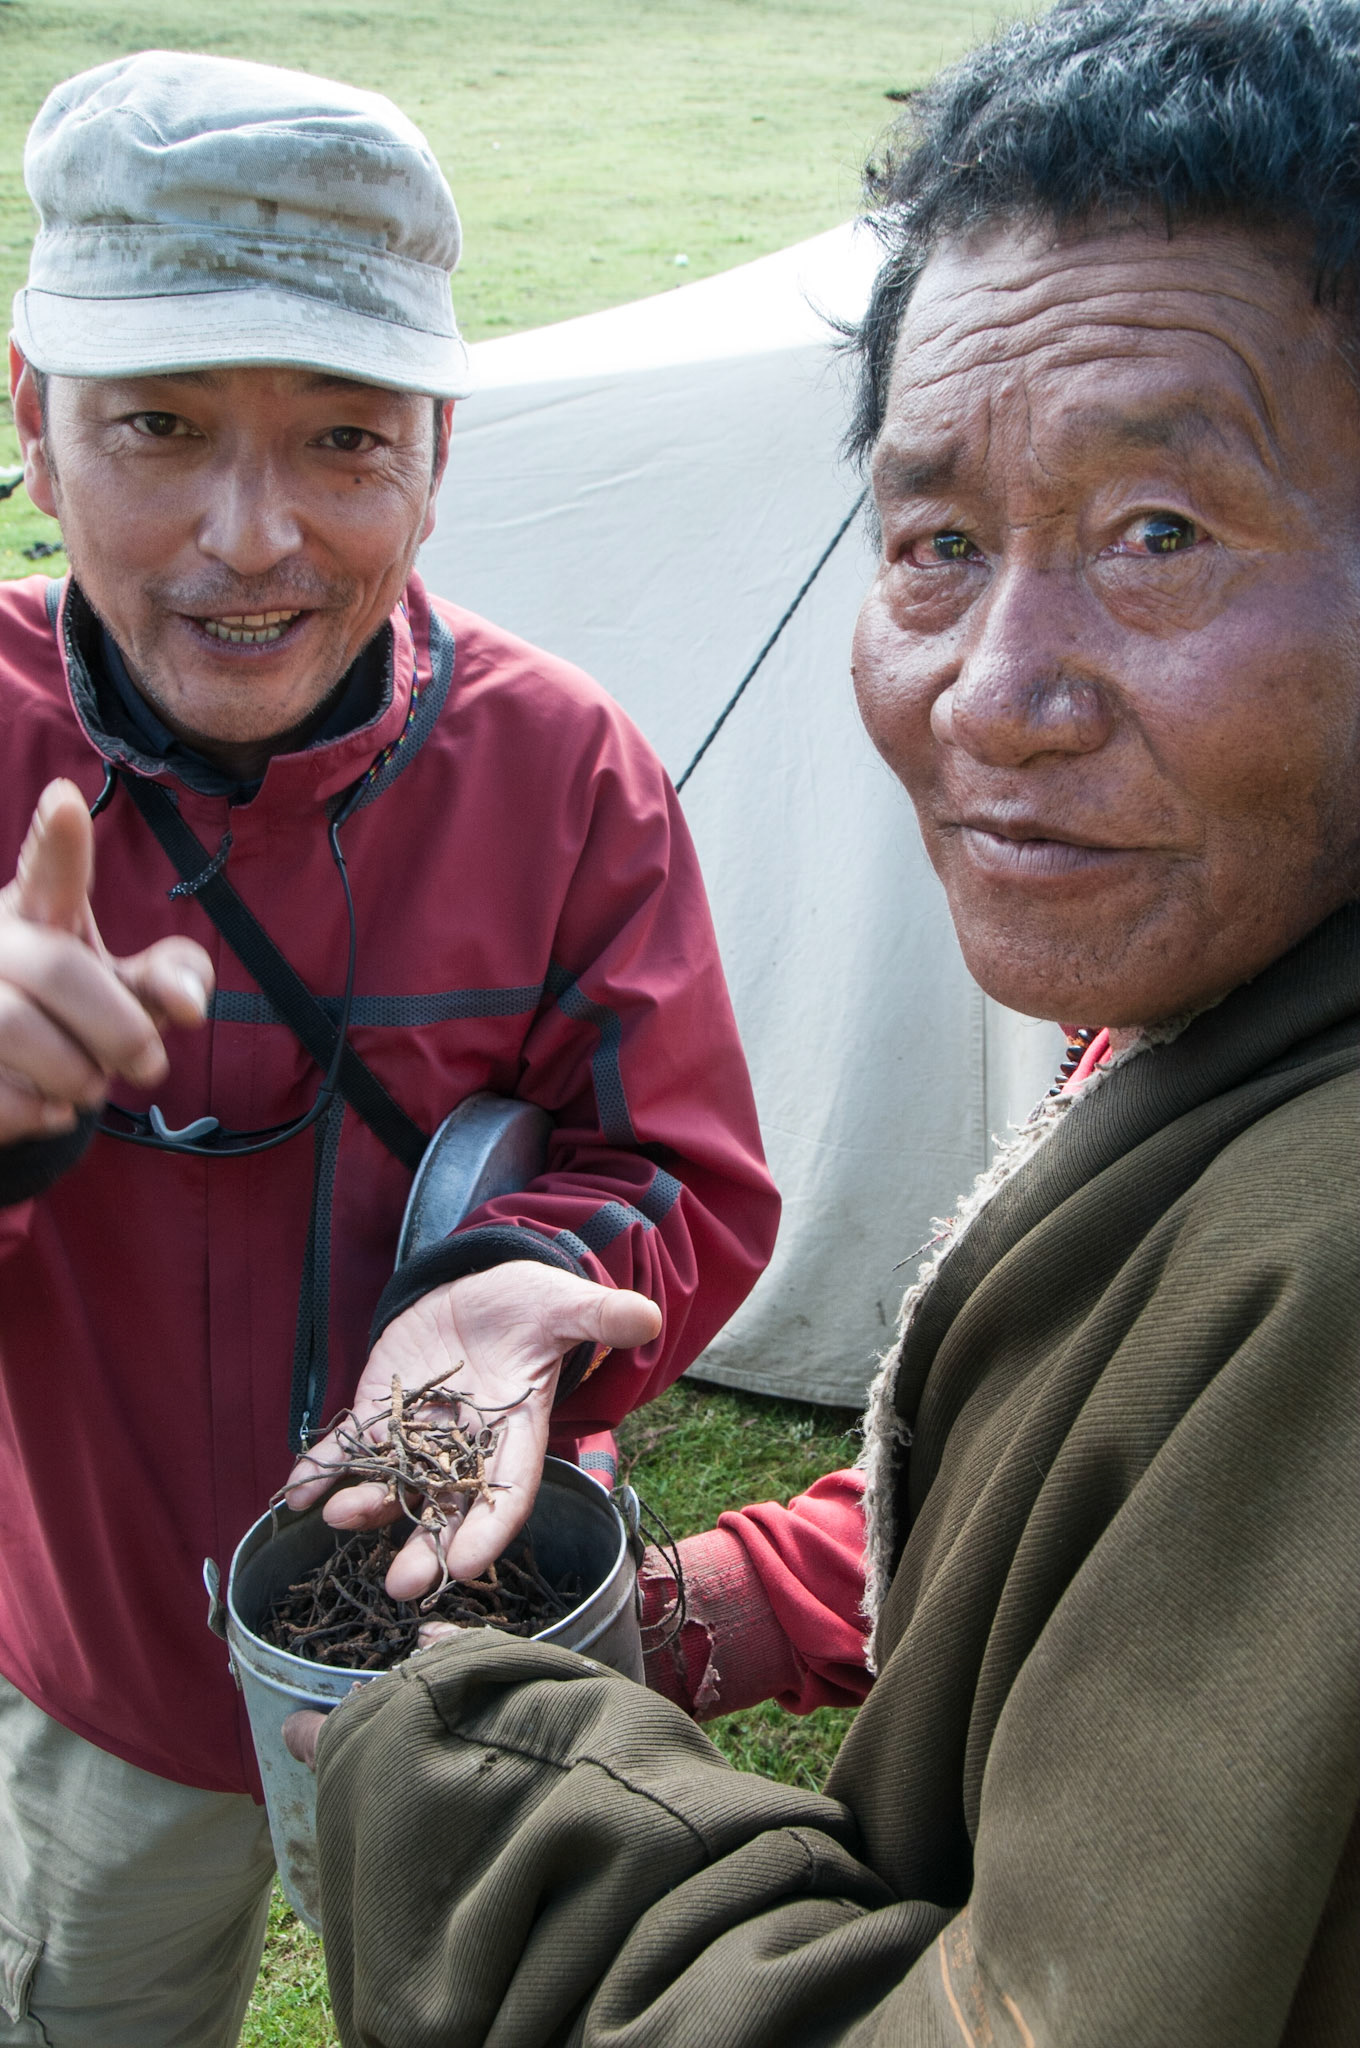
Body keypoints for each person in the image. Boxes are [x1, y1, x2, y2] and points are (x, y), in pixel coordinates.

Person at [300, 2, 1360, 2042]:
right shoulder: (1222, 989)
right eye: (935, 543)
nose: (992, 694)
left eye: (1158, 534)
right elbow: (1101, 1494)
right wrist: (707, 1608)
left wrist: (484, 1775)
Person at [0, 49, 779, 2046]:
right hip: (100, 1672)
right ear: (32, 421)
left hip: (467, 1654)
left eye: (342, 438)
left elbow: (685, 1174)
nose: (249, 534)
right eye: (159, 425)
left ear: (438, 453)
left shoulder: (563, 771)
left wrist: (517, 1285)